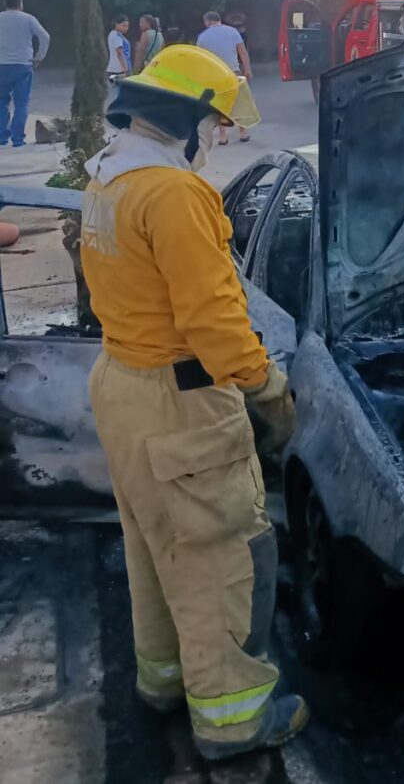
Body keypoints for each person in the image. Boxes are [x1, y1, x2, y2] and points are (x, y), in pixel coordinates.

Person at [80, 45, 309, 761]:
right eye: (209, 122)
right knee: (217, 559)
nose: (212, 136)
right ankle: (234, 720)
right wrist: (267, 384)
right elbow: (214, 319)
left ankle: (164, 680)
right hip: (180, 402)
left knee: (156, 548)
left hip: (122, 386)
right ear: (183, 120)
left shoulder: (109, 176)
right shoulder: (175, 194)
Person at [0, 0, 50, 148]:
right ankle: (17, 139)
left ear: (4, 4)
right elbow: (45, 36)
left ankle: (2, 137)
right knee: (21, 104)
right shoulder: (28, 19)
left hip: (2, 65)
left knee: (1, 103)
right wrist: (39, 56)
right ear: (20, 4)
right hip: (23, 65)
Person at [197, 11, 252, 145]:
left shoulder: (202, 37)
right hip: (233, 71)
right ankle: (242, 132)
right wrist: (247, 69)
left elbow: (200, 58)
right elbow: (242, 51)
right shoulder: (233, 32)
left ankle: (223, 136)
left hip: (214, 73)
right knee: (237, 101)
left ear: (208, 21)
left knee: (219, 104)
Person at [107, 15, 132, 83]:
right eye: (123, 25)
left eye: (127, 26)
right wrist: (125, 69)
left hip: (117, 68)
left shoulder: (115, 34)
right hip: (119, 69)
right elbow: (120, 53)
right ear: (117, 24)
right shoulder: (116, 36)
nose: (125, 28)